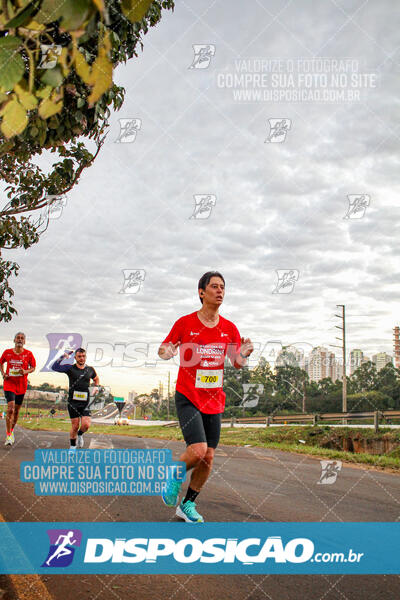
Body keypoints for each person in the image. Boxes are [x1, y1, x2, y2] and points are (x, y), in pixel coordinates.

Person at [158, 271, 253, 523]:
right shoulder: (185, 323)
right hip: (188, 395)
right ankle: (174, 473)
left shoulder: (230, 328)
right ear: (201, 292)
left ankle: (187, 505)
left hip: (214, 399)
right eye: (214, 286)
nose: (220, 291)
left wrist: (245, 353)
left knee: (208, 457)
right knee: (198, 450)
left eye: (223, 287)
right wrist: (167, 351)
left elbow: (237, 363)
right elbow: (164, 348)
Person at [51, 348, 99, 453]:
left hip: (86, 402)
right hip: (73, 402)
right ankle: (72, 446)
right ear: (75, 357)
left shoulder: (90, 369)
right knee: (75, 425)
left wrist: (96, 387)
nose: (82, 358)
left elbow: (96, 379)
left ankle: (80, 434)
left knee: (86, 425)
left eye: (83, 356)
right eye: (79, 356)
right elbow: (54, 367)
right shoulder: (70, 368)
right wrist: (63, 357)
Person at [0, 332, 36, 446]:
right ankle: (9, 434)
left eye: (22, 338)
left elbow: (33, 367)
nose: (20, 340)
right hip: (9, 383)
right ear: (14, 340)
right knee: (10, 409)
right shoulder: (7, 352)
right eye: (18, 338)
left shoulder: (29, 354)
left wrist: (25, 371)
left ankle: (11, 431)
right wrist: (3, 373)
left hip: (21, 385)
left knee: (16, 412)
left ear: (24, 341)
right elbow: (0, 363)